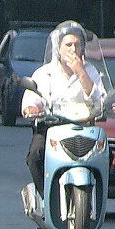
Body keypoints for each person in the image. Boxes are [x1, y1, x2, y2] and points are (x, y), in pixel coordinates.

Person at [21, 21, 105, 192]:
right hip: (51, 127)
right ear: (58, 48)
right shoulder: (45, 73)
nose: (73, 50)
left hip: (84, 128)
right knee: (35, 156)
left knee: (106, 155)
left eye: (77, 45)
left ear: (83, 48)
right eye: (68, 45)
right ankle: (45, 197)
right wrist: (32, 109)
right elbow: (31, 99)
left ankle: (95, 194)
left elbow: (100, 99)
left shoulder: (91, 71)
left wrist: (81, 72)